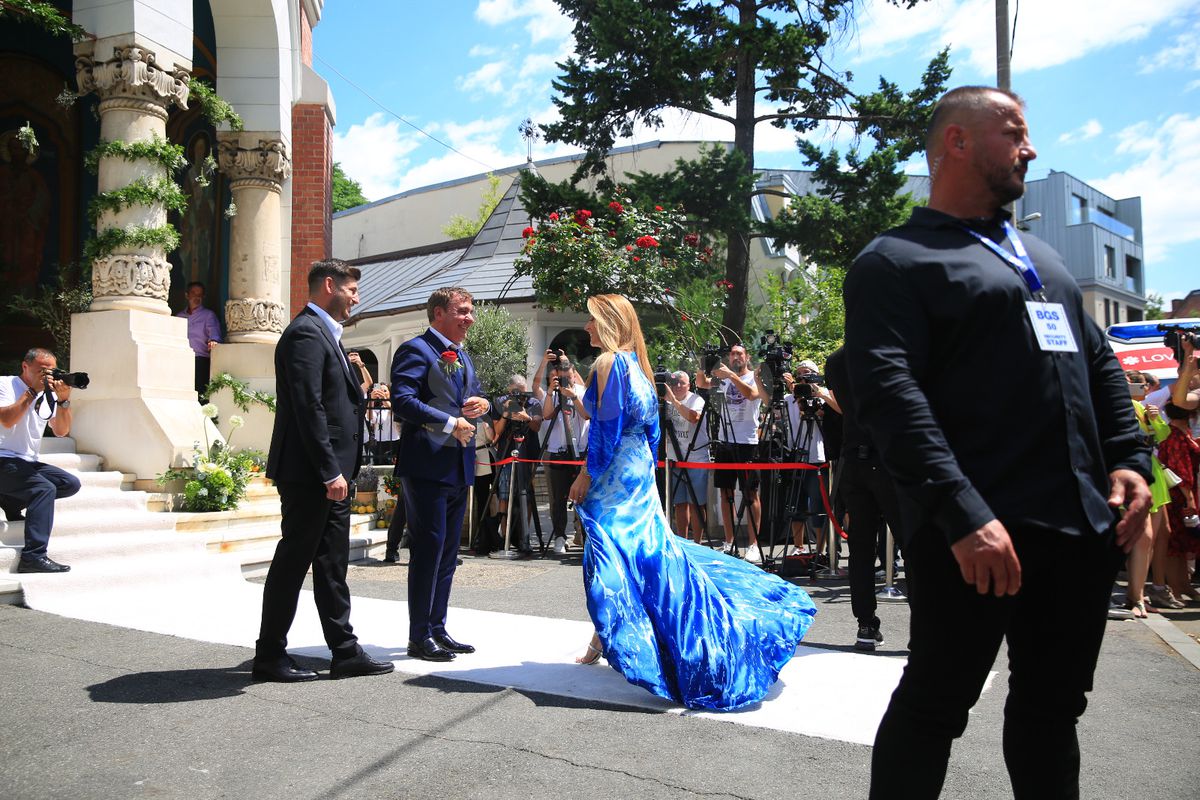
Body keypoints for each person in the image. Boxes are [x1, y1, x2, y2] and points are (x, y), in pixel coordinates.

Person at [844, 86, 1151, 799]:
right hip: (975, 535)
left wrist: (1132, 459)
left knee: (1052, 709)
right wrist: (961, 512)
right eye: (1013, 132)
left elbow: (1098, 360)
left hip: (1076, 528)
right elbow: (891, 397)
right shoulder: (894, 261)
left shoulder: (1040, 256)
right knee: (935, 705)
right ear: (956, 141)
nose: (1030, 147)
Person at [566, 294, 816, 711]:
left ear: (608, 322)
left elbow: (606, 429)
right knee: (640, 554)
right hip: (638, 472)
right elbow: (647, 432)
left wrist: (586, 474)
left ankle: (635, 641)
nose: (587, 328)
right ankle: (603, 639)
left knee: (617, 557)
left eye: (591, 321)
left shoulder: (610, 363)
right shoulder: (640, 368)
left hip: (614, 475)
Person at [253, 260, 394, 683]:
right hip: (311, 474)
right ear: (328, 285)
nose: (356, 297)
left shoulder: (327, 335)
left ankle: (344, 651)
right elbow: (308, 407)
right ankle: (270, 655)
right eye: (352, 289)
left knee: (332, 565)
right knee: (293, 562)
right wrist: (329, 471)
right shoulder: (304, 334)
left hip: (333, 475)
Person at [391, 286, 490, 662]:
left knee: (449, 553)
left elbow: (474, 397)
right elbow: (403, 402)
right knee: (428, 550)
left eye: (470, 311)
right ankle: (419, 635)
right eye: (462, 310)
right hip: (426, 464)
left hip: (458, 465)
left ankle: (437, 627)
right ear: (438, 314)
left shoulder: (463, 356)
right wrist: (450, 423)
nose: (469, 318)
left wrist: (484, 403)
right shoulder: (415, 350)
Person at [824, 347, 903, 651]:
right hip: (886, 460)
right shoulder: (892, 353)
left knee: (859, 547)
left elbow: (843, 405)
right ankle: (921, 627)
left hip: (854, 460)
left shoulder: (837, 360)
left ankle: (865, 624)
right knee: (909, 541)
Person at [0, 348, 81, 573]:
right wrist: (31, 392)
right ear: (25, 367)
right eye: (41, 370)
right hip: (2, 458)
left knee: (69, 483)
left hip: (26, 463)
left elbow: (62, 431)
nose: (47, 375)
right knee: (43, 489)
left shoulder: (49, 394)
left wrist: (64, 400)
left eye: (51, 371)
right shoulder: (5, 385)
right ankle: (33, 557)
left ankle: (9, 500)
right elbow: (6, 420)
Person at [695, 344, 767, 563]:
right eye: (733, 354)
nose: (735, 357)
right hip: (725, 440)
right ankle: (729, 541)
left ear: (747, 357)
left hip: (747, 442)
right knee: (725, 493)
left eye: (739, 354)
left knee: (750, 493)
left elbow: (752, 395)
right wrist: (702, 364)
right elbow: (701, 384)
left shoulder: (752, 377)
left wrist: (730, 376)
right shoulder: (724, 377)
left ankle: (753, 544)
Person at [781, 361, 841, 560]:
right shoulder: (791, 397)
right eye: (799, 375)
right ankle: (799, 546)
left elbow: (829, 411)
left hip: (819, 457)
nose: (803, 377)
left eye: (807, 374)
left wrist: (817, 393)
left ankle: (821, 550)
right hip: (797, 453)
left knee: (818, 504)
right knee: (796, 504)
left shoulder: (823, 393)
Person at [532, 349, 590, 554]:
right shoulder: (552, 394)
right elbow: (547, 415)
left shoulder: (582, 392)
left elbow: (587, 415)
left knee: (583, 497)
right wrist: (551, 392)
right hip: (558, 451)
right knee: (558, 497)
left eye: (569, 376)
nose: (566, 380)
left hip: (581, 452)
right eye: (561, 378)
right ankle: (559, 536)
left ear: (574, 375)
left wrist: (573, 396)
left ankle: (585, 535)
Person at [491, 375, 543, 556]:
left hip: (528, 453)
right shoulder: (500, 402)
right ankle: (505, 537)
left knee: (527, 496)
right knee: (504, 495)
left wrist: (526, 417)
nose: (520, 395)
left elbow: (537, 426)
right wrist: (506, 413)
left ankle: (524, 537)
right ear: (508, 390)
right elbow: (496, 432)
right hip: (506, 452)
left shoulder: (533, 402)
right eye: (516, 391)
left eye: (522, 391)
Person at [662, 370, 709, 543]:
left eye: (682, 383)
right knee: (679, 503)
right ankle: (681, 541)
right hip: (674, 457)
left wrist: (673, 401)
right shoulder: (665, 402)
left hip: (696, 458)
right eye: (674, 383)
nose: (678, 386)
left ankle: (697, 542)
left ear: (689, 385)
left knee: (696, 503)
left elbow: (693, 417)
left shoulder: (696, 399)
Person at [176, 281, 222, 398]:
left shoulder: (208, 315)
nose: (197, 297)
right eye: (193, 293)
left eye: (200, 295)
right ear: (187, 295)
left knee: (199, 396)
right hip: (180, 359)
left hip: (200, 361)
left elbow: (215, 335)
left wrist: (214, 340)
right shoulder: (179, 317)